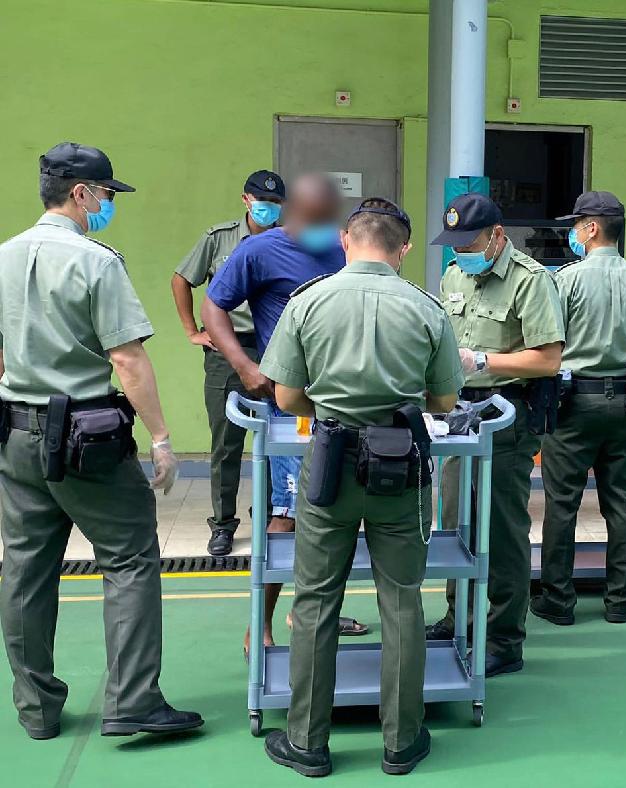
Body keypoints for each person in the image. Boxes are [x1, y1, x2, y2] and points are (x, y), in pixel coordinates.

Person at [0, 142, 202, 740]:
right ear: (81, 193)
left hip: (16, 432)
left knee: (26, 571)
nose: (109, 203)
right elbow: (126, 358)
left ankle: (35, 709)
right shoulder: (96, 261)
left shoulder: (5, 257)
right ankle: (134, 699)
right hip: (86, 439)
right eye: (107, 193)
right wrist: (162, 439)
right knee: (131, 558)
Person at [260, 197, 463, 777]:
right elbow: (445, 401)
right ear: (402, 249)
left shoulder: (308, 301)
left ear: (346, 242)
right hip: (401, 470)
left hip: (331, 466)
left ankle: (308, 742)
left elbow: (285, 397)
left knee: (317, 601)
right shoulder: (426, 309)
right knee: (401, 602)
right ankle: (402, 742)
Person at [201, 173, 367, 654]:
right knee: (287, 515)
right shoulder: (258, 252)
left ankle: (308, 611)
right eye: (312, 219)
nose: (321, 229)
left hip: (341, 401)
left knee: (336, 512)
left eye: (327, 220)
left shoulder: (345, 248)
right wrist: (244, 365)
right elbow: (215, 308)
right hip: (288, 407)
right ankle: (262, 622)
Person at [428, 193, 565, 677]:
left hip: (505, 415)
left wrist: (485, 361)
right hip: (456, 415)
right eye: (455, 244)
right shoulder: (454, 274)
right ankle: (457, 615)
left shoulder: (531, 280)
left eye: (470, 242)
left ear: (497, 236)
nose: (461, 251)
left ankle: (505, 636)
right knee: (452, 520)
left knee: (501, 529)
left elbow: (548, 359)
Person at [531, 191, 626, 625]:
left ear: (590, 229)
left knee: (561, 502)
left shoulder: (564, 279)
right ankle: (622, 599)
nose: (572, 232)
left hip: (574, 403)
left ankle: (557, 600)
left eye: (576, 224)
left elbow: (551, 345)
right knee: (623, 501)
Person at [172, 170, 285, 557]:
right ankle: (223, 523)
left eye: (275, 203)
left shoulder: (288, 240)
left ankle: (272, 512)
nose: (268, 208)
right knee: (226, 444)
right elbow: (181, 279)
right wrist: (192, 331)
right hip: (226, 351)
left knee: (278, 438)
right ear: (246, 200)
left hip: (274, 351)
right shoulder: (218, 238)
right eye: (261, 200)